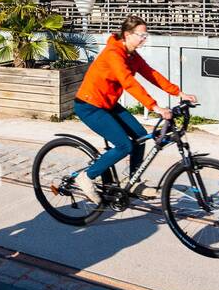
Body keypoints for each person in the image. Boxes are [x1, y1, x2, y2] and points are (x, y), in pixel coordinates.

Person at [73, 16, 198, 201]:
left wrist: (179, 93)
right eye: (141, 35)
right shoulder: (114, 54)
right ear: (127, 35)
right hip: (89, 105)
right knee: (125, 145)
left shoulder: (132, 55)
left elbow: (151, 74)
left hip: (108, 103)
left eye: (145, 35)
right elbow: (129, 83)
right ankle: (86, 177)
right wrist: (154, 106)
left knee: (140, 137)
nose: (144, 38)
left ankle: (134, 182)